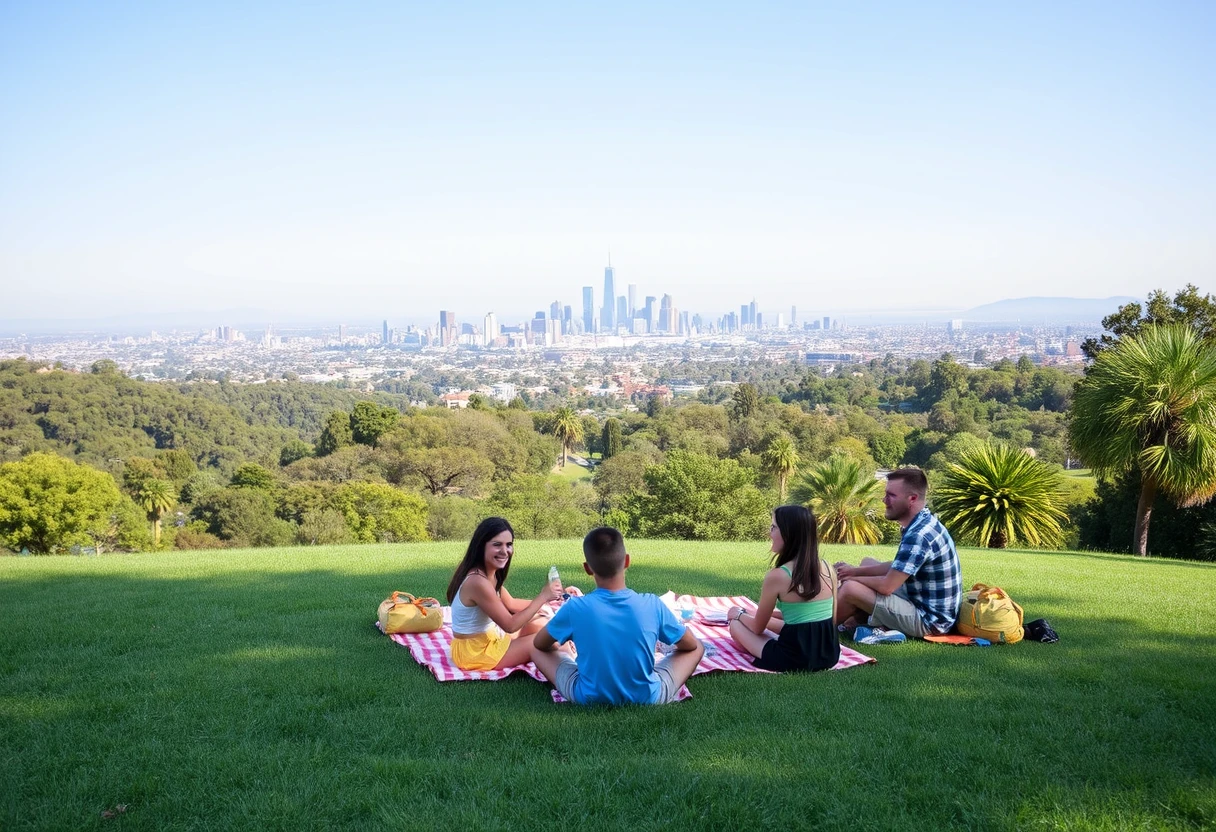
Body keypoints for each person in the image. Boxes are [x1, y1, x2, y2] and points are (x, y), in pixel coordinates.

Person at [531, 526, 704, 705]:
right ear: (627, 560)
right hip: (647, 697)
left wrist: (566, 649)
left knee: (535, 648)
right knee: (698, 647)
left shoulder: (574, 608)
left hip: (588, 697)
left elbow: (539, 644)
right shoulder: (652, 604)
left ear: (587, 568)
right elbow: (690, 644)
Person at [834, 467, 961, 638]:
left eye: (891, 495)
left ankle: (817, 629)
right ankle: (856, 619)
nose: (884, 500)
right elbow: (898, 567)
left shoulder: (919, 535)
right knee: (867, 563)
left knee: (851, 589)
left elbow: (887, 587)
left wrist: (849, 577)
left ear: (912, 499)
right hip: (920, 599)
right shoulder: (920, 522)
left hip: (929, 621)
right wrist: (855, 570)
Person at [726, 505, 840, 672]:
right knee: (778, 626)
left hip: (793, 660)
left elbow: (758, 627)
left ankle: (745, 632)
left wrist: (739, 615)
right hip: (829, 655)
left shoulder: (778, 576)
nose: (769, 533)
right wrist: (753, 613)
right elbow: (824, 619)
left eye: (773, 528)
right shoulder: (828, 568)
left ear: (788, 533)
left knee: (736, 626)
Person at [446, 517, 563, 671]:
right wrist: (543, 596)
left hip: (489, 639)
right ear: (481, 546)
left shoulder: (488, 573)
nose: (505, 551)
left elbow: (511, 603)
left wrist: (552, 600)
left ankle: (573, 655)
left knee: (542, 624)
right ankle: (576, 676)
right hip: (474, 653)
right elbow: (510, 625)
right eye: (497, 545)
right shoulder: (477, 581)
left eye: (509, 545)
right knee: (544, 641)